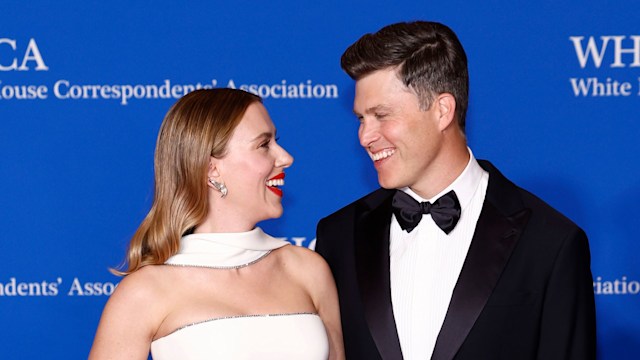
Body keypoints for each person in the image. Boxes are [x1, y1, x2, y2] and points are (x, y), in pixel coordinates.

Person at [315, 21, 596, 360]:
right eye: (361, 118)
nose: (365, 136)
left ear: (442, 110)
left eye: (381, 115)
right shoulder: (339, 236)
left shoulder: (550, 243)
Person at [89, 89, 344, 359]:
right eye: (263, 145)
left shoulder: (307, 270)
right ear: (211, 169)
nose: (286, 157)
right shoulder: (145, 291)